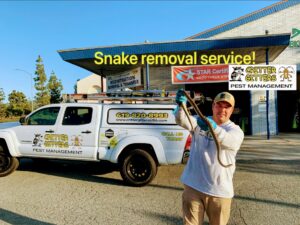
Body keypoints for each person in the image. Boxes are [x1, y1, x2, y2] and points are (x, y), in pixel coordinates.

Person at [174, 90, 244, 225]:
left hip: (220, 192)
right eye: (219, 105)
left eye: (226, 107)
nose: (222, 110)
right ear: (213, 106)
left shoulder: (235, 131)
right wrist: (180, 106)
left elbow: (229, 141)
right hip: (193, 186)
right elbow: (182, 120)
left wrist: (213, 127)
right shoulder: (200, 122)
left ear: (232, 110)